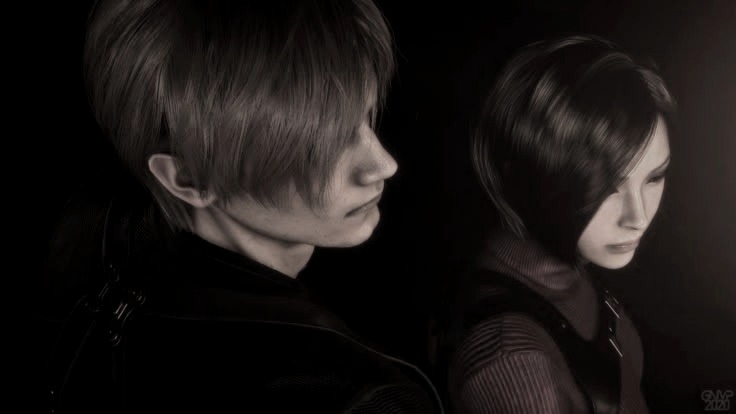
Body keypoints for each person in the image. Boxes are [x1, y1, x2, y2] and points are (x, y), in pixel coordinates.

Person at [38, 0, 442, 412]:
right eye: (314, 152)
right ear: (189, 179)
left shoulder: (88, 228)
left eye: (366, 116)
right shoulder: (357, 398)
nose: (383, 165)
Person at [440, 35, 675, 413]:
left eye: (654, 177)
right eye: (606, 187)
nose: (639, 217)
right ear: (536, 170)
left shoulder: (569, 263)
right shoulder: (512, 362)